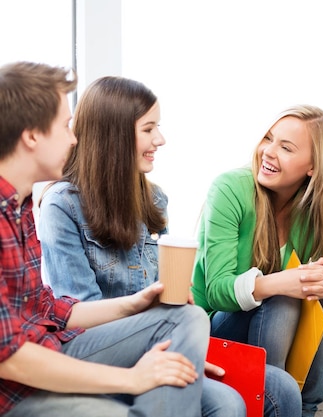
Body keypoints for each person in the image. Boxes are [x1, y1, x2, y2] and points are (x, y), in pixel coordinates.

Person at [37, 75, 298, 417]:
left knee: (282, 390)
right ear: (113, 134)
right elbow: (81, 315)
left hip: (162, 339)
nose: (160, 139)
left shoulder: (155, 200)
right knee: (228, 403)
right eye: (148, 129)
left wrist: (185, 349)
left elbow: (168, 298)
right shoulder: (62, 204)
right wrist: (174, 348)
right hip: (103, 352)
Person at [0, 61, 212, 417]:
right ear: (32, 136)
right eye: (65, 126)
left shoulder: (18, 210)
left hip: (52, 347)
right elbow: (8, 358)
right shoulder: (46, 206)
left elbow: (51, 310)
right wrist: (132, 379)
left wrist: (136, 304)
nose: (74, 137)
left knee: (193, 332)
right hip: (17, 389)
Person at [191, 104, 323, 417]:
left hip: (276, 333)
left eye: (286, 147)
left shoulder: (315, 210)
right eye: (268, 138)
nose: (268, 151)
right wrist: (279, 282)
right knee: (283, 297)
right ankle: (273, 401)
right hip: (214, 332)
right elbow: (215, 291)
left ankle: (305, 408)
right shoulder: (230, 189)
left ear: (313, 166)